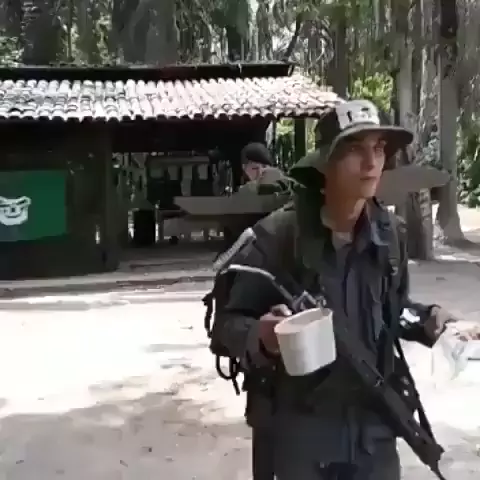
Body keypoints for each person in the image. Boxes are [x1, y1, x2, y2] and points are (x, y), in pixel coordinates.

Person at [214, 100, 454, 480]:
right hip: (301, 438)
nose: (371, 162)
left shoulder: (390, 237)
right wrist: (262, 335)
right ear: (324, 163)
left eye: (378, 149)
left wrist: (428, 320)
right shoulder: (278, 237)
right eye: (355, 149)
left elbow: (394, 311)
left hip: (373, 433)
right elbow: (225, 326)